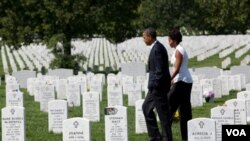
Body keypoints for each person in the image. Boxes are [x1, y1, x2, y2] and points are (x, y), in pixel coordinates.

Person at [142, 27, 172, 141]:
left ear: (150, 37)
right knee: (146, 108)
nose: (143, 40)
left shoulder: (157, 49)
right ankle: (155, 136)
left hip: (158, 87)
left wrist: (155, 85)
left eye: (144, 37)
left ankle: (167, 138)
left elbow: (159, 70)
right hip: (154, 87)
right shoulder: (156, 47)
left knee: (163, 116)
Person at [167, 28, 193, 141]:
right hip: (185, 80)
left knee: (168, 108)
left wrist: (169, 80)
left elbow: (177, 69)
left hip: (181, 82)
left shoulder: (179, 51)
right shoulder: (179, 49)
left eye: (169, 39)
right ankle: (186, 137)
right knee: (184, 111)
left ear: (174, 40)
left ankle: (166, 136)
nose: (168, 41)